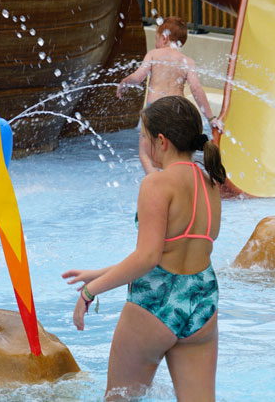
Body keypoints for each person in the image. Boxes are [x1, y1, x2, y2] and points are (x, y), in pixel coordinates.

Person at [63, 95, 224, 402]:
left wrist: (91, 291)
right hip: (202, 301)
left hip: (156, 303)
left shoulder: (157, 185)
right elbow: (176, 251)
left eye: (145, 138)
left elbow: (149, 258)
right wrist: (100, 272)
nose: (145, 146)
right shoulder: (210, 184)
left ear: (161, 141)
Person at [117, 17, 218, 174]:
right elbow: (196, 89)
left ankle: (156, 183)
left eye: (156, 38)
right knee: (179, 154)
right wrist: (211, 118)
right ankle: (181, 180)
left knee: (146, 153)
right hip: (178, 111)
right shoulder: (187, 61)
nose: (156, 42)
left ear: (164, 37)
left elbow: (138, 78)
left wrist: (124, 82)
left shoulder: (153, 54)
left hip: (155, 110)